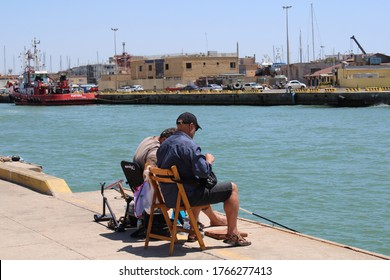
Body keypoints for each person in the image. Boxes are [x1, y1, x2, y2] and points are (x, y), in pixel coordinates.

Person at [157, 112, 251, 246]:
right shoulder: (189, 145)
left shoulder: (164, 145)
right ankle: (233, 234)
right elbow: (203, 172)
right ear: (191, 126)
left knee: (194, 185)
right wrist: (209, 161)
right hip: (187, 198)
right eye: (195, 129)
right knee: (232, 188)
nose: (194, 133)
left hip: (170, 197)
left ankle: (193, 232)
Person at [133, 127, 227, 228]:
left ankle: (210, 220)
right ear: (165, 140)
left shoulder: (149, 140)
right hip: (152, 194)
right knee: (196, 188)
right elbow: (149, 172)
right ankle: (200, 224)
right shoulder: (154, 152)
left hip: (138, 188)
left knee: (189, 187)